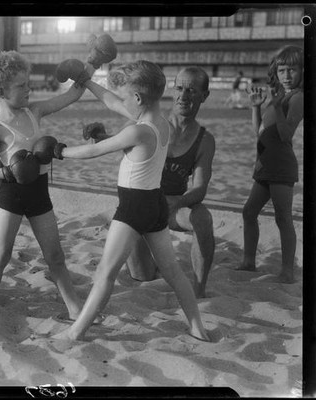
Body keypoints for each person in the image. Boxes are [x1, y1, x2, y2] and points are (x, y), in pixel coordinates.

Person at [50, 60, 210, 341]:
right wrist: (87, 82)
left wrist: (60, 151)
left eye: (127, 98)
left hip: (133, 208)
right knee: (173, 272)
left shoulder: (137, 131)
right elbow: (112, 102)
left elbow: (95, 150)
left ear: (137, 98)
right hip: (156, 204)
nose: (121, 103)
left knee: (105, 272)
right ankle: (197, 326)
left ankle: (75, 332)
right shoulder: (160, 123)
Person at [0, 51, 96, 328]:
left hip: (39, 193)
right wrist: (6, 171)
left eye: (29, 84)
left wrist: (93, 63)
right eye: (22, 86)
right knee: (0, 257)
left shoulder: (34, 111)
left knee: (55, 256)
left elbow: (73, 94)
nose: (29, 89)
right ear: (1, 91)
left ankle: (74, 308)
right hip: (11, 195)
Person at [126, 66, 215, 299]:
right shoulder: (152, 124)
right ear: (172, 91)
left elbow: (200, 188)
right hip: (144, 207)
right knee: (142, 276)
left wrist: (176, 203)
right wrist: (100, 136)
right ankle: (152, 257)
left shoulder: (205, 140)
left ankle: (199, 288)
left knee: (203, 217)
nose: (183, 96)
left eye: (192, 91)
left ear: (204, 96)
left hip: (173, 208)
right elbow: (120, 144)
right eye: (179, 88)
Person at [238, 46, 303, 284]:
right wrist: (256, 106)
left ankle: (287, 271)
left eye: (293, 70)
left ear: (302, 72)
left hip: (282, 167)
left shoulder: (297, 97)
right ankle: (248, 261)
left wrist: (275, 104)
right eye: (282, 70)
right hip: (265, 166)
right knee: (248, 212)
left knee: (282, 218)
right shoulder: (280, 97)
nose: (286, 75)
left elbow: (286, 135)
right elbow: (260, 133)